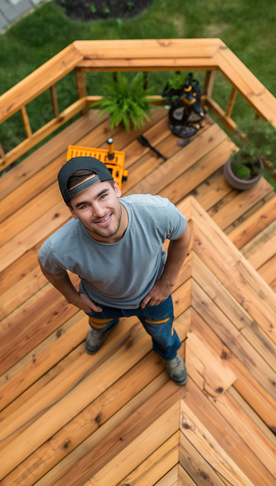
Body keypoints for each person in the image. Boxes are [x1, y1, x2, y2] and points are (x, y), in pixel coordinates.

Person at [38, 156, 191, 385]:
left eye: (102, 196)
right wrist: (72, 298)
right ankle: (103, 327)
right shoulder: (59, 247)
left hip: (153, 297)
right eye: (83, 205)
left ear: (116, 188)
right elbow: (49, 268)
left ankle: (169, 354)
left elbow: (182, 234)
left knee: (163, 335)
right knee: (98, 323)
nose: (99, 212)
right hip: (100, 304)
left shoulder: (156, 212)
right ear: (72, 212)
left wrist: (167, 283)